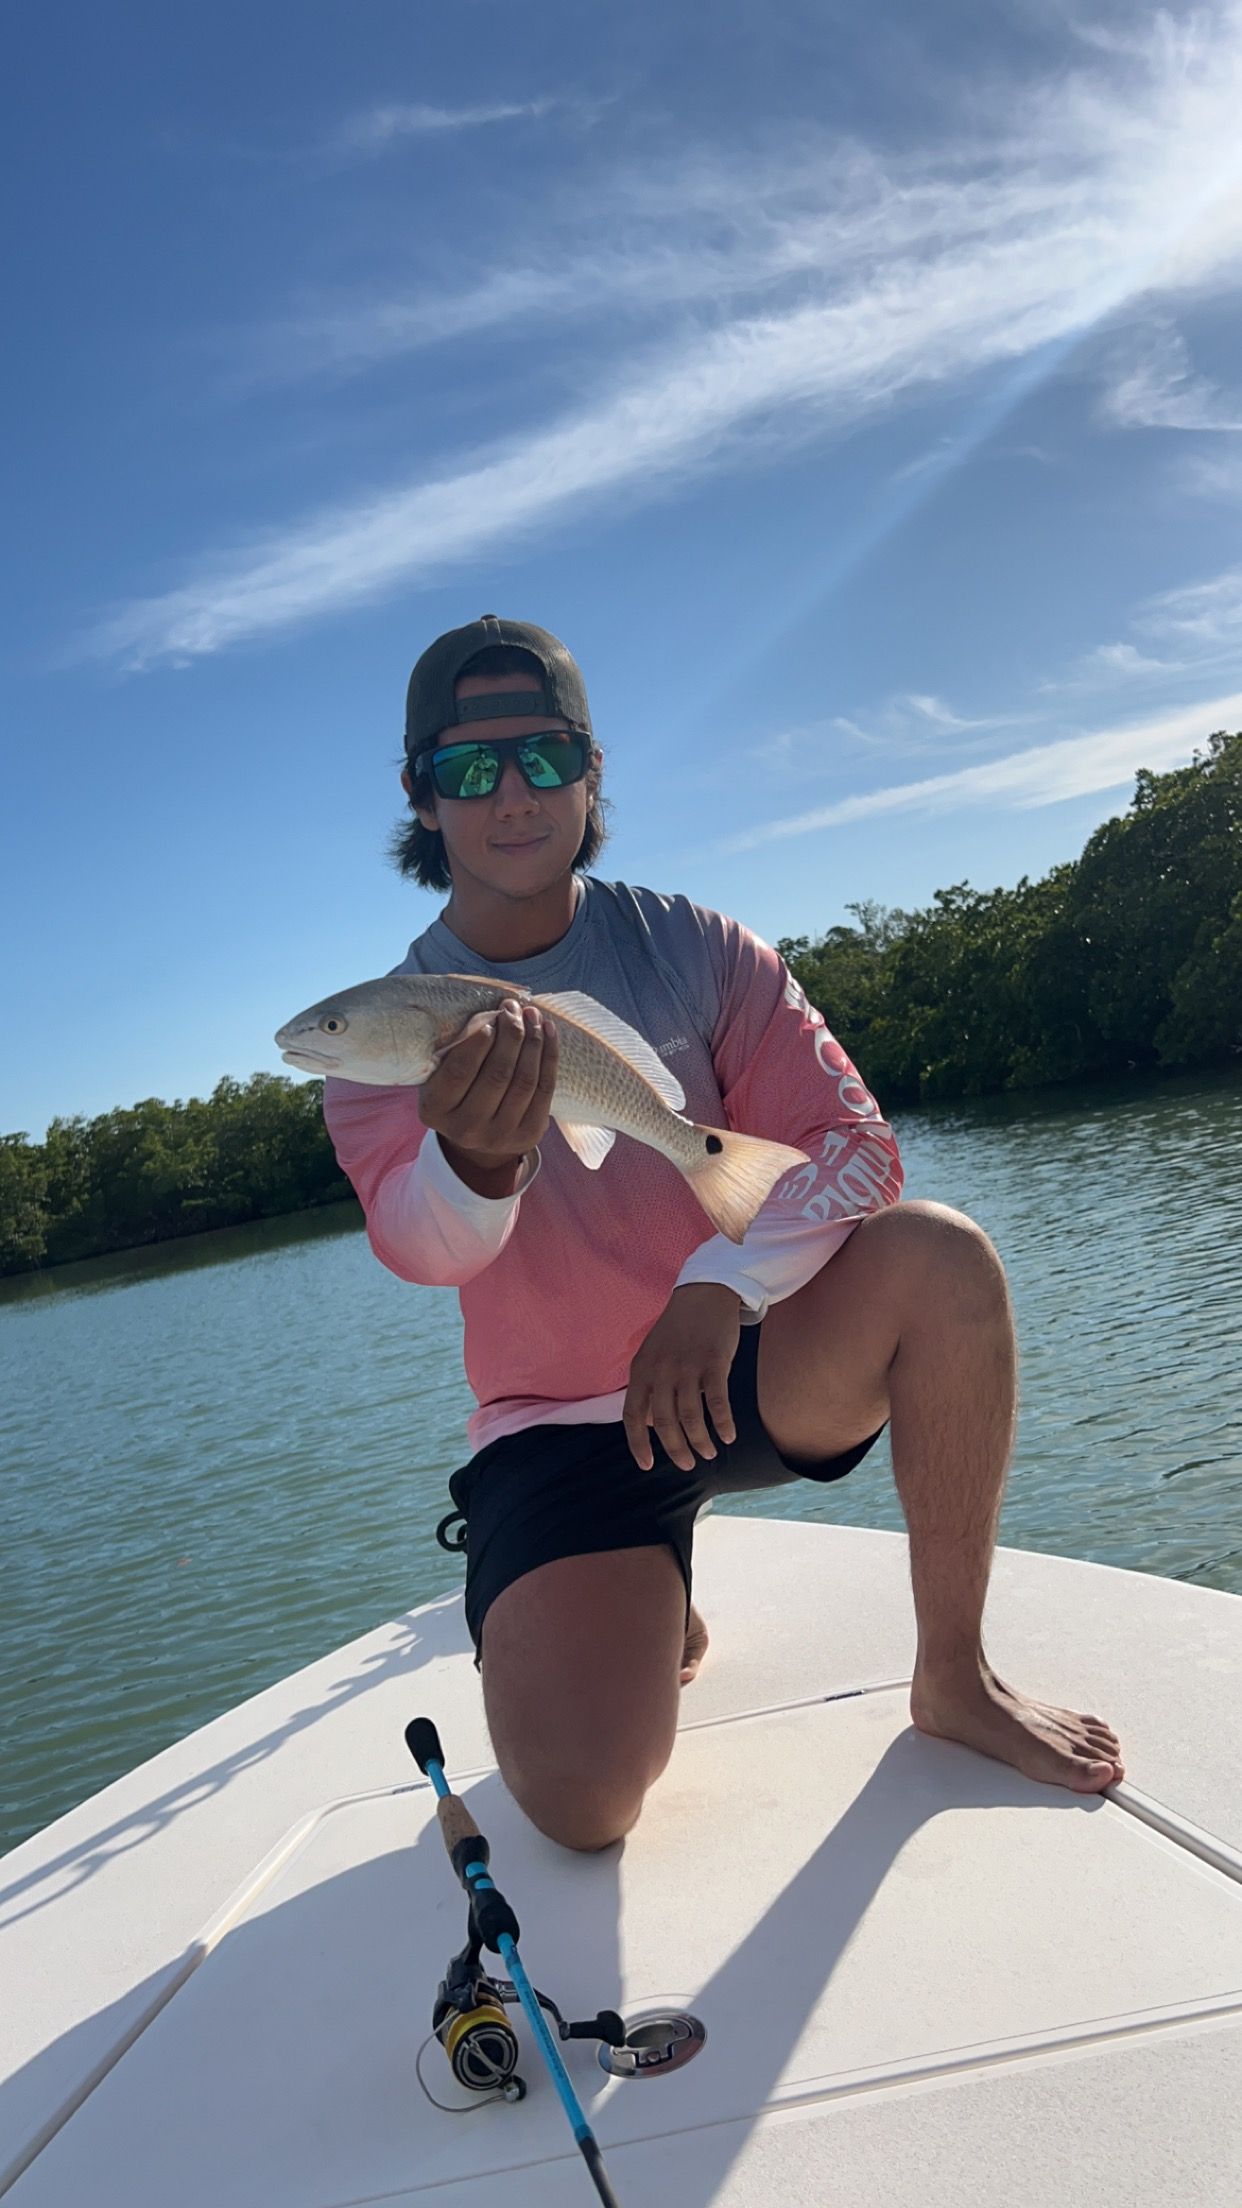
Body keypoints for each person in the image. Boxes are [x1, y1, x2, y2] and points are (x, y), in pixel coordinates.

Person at [323, 615, 1124, 1851]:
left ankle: (953, 1674)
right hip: (559, 1424)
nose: (515, 793)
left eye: (544, 754)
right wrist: (479, 1160)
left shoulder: (699, 950)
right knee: (584, 1806)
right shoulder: (377, 1032)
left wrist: (720, 1286)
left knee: (942, 1256)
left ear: (592, 770)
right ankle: (648, 1583)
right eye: (470, 769)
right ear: (421, 798)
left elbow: (857, 1145)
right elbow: (424, 1247)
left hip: (738, 1362)